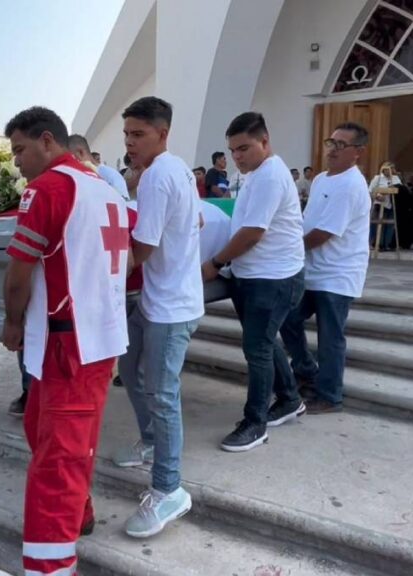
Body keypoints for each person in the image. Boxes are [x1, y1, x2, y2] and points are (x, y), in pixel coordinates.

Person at [0, 107, 128, 576]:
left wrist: (12, 322)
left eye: (19, 149)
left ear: (47, 141)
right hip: (99, 335)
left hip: (67, 345)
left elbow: (18, 275)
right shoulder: (108, 190)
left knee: (56, 461)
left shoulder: (50, 187)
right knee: (49, 433)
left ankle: (50, 568)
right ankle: (81, 511)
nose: (16, 162)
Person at [114, 96, 202, 539]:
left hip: (171, 305)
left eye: (138, 134)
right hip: (159, 297)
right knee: (129, 365)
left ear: (162, 134)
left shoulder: (157, 177)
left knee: (163, 393)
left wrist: (101, 272)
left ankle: (169, 490)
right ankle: (150, 442)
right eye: (127, 134)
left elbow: (141, 249)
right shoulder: (176, 169)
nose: (130, 142)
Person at [202, 112, 305, 451]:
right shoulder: (255, 174)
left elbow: (252, 232)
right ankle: (289, 399)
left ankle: (255, 423)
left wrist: (216, 262)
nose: (237, 157)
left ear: (265, 141)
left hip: (271, 279)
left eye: (244, 148)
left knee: (257, 348)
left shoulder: (270, 176)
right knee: (264, 342)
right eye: (232, 151)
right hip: (252, 275)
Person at [280, 123, 372, 414]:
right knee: (287, 317)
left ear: (358, 152)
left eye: (341, 145)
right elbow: (307, 220)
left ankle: (330, 395)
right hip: (311, 269)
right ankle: (306, 369)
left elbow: (324, 233)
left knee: (330, 337)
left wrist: (287, 249)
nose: (332, 149)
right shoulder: (321, 179)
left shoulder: (352, 185)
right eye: (330, 142)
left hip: (338, 273)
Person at [67, 134, 128, 200]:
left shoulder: (110, 175)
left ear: (80, 153)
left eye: (71, 157)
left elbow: (122, 202)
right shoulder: (83, 177)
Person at [368, 162, 401, 251]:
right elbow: (370, 191)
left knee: (389, 226)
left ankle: (386, 244)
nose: (392, 171)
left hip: (391, 204)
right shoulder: (377, 178)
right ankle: (375, 243)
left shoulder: (396, 178)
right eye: (390, 169)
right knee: (377, 224)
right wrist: (377, 196)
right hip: (379, 204)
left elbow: (398, 190)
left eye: (393, 169)